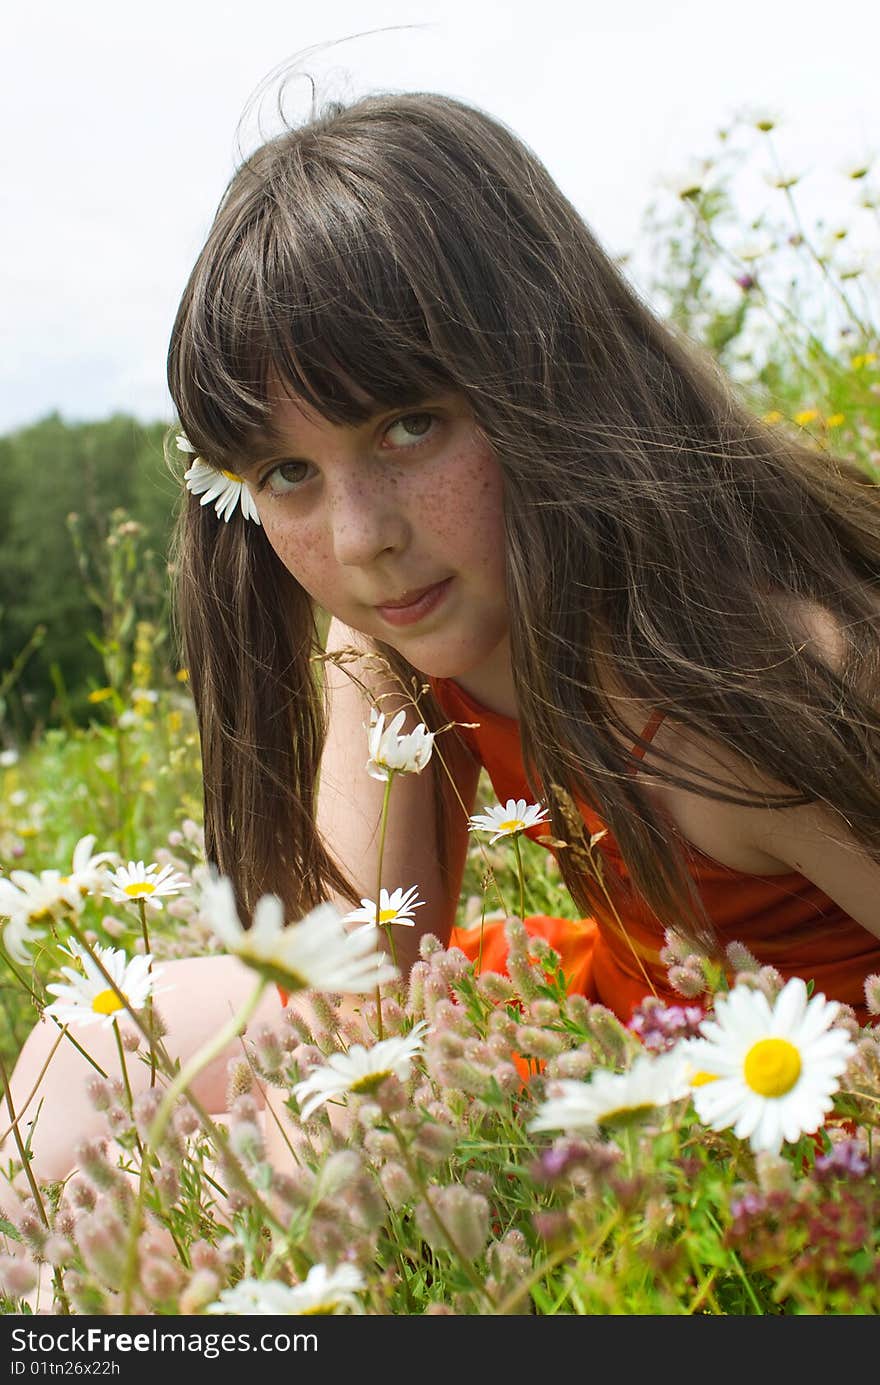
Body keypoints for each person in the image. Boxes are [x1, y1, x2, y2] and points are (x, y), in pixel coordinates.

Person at [3, 88, 880, 1233]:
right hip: (630, 1025)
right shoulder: (411, 630)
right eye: (287, 474)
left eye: (408, 426)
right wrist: (364, 669)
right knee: (100, 1046)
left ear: (551, 377)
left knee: (260, 1164)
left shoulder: (741, 683)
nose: (361, 537)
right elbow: (352, 985)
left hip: (778, 1118)